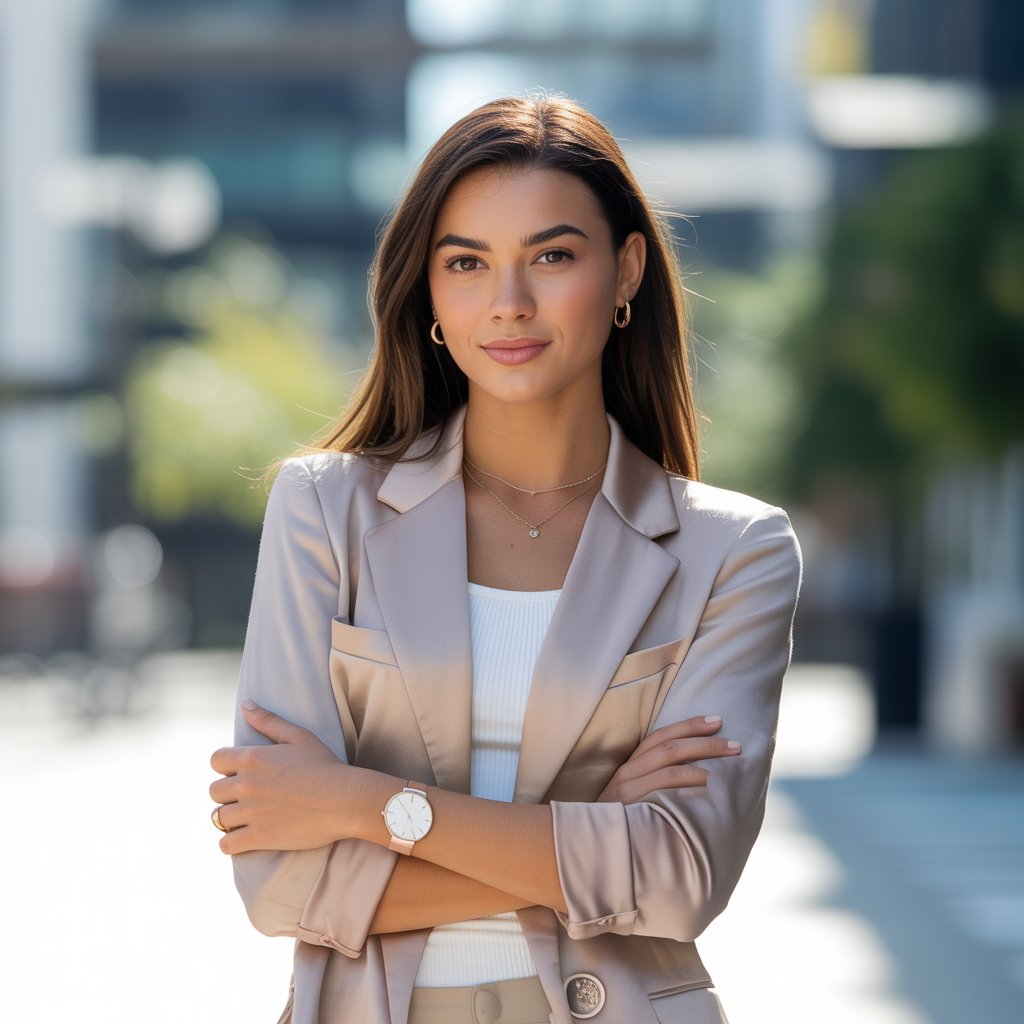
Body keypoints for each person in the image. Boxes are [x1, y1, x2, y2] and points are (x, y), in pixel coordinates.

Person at [209, 94, 801, 1024]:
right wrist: (594, 837)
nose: (509, 302)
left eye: (552, 256)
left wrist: (362, 803)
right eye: (467, 263)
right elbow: (279, 882)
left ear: (626, 271)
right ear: (431, 293)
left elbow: (683, 876)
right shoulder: (326, 510)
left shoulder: (734, 550)